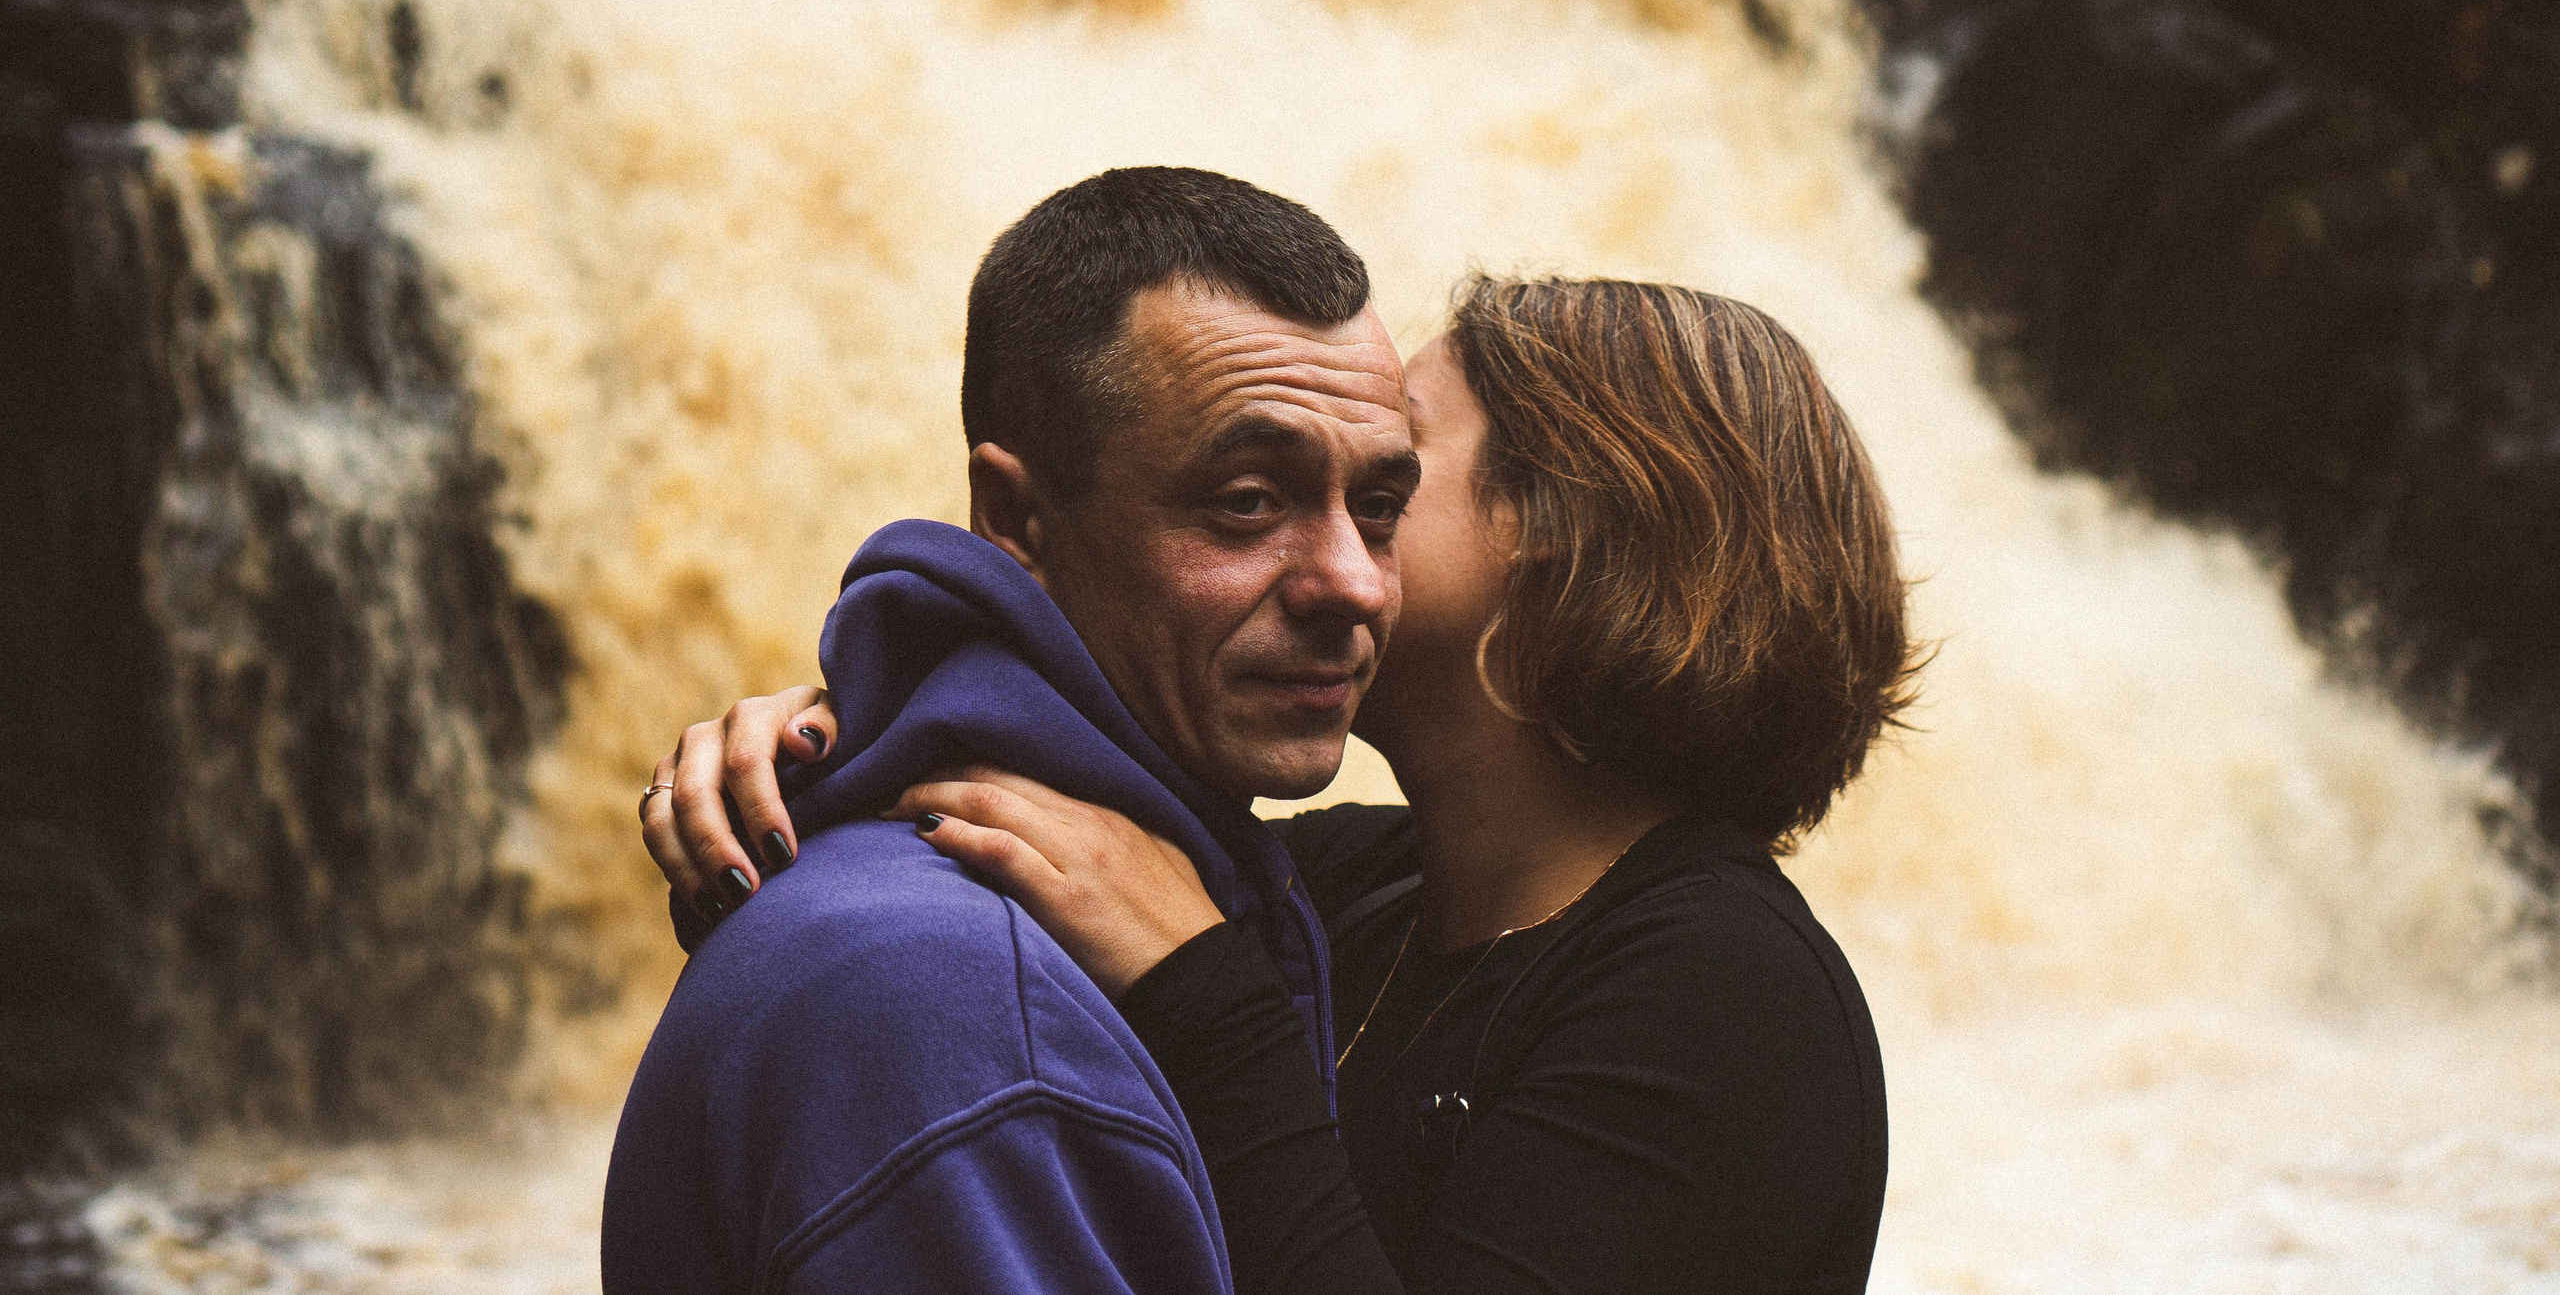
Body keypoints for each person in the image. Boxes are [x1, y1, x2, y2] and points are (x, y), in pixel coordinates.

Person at [656, 274, 1919, 1293]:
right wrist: (828, 745)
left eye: (1390, 482)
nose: (1337, 555)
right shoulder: (1356, 886)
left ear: (1572, 535)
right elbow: (1024, 831)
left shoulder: (1722, 992)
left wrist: (1207, 1006)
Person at [603, 167, 1425, 1293]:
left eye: (1378, 508)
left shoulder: (1209, 889)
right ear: (1017, 521)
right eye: (1246, 501)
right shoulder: (968, 1015)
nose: (1353, 585)